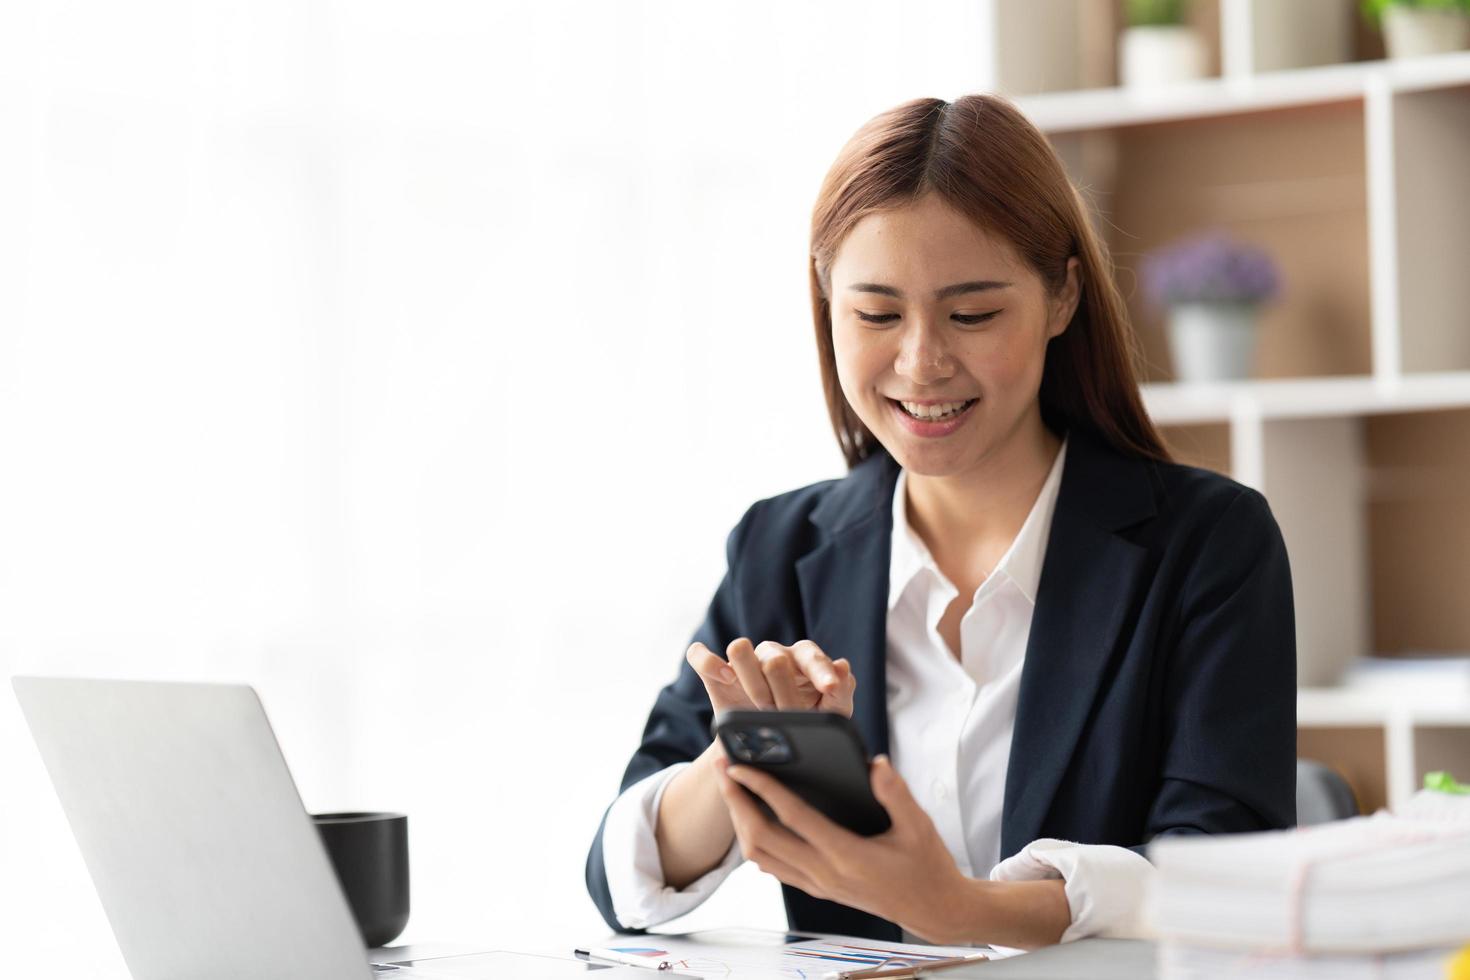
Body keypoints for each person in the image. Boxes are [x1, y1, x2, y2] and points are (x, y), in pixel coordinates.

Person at [584, 94, 1296, 951]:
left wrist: (960, 910)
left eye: (973, 313)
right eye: (877, 314)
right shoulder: (783, 548)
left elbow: (1221, 875)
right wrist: (755, 747)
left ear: (1062, 296)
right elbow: (622, 873)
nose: (921, 363)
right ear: (826, 300)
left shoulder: (1207, 544)